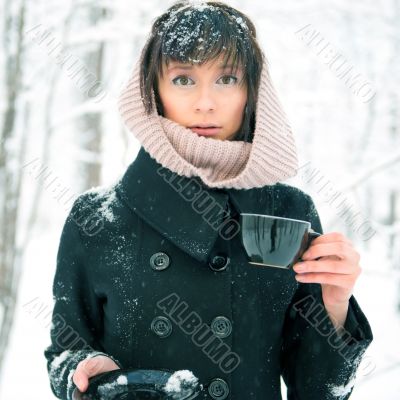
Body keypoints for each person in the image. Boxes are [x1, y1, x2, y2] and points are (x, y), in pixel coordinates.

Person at [44, 1, 373, 399]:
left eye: (227, 78)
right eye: (183, 79)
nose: (205, 102)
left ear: (253, 91)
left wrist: (335, 307)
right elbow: (66, 349)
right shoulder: (99, 217)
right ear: (153, 91)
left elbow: (318, 391)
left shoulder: (286, 212)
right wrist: (83, 371)